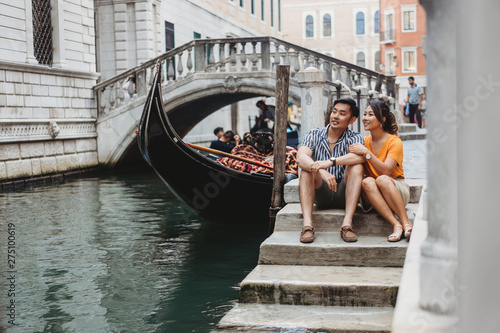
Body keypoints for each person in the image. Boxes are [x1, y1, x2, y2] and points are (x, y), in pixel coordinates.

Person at [297, 98, 365, 243]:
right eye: (334, 112)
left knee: (356, 167)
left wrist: (330, 162)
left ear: (352, 119)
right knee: (306, 170)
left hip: (344, 194)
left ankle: (347, 225)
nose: (335, 116)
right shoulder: (314, 134)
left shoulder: (355, 137)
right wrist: (321, 170)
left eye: (342, 113)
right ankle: (307, 226)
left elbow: (361, 158)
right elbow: (301, 157)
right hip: (322, 193)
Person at [348, 99, 413, 242]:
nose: (365, 118)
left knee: (382, 179)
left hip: (396, 189)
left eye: (370, 114)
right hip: (373, 195)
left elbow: (386, 171)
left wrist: (366, 153)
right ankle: (396, 225)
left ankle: (406, 222)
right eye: (364, 114)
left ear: (382, 120)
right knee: (367, 182)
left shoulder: (394, 141)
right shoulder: (363, 142)